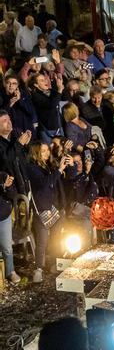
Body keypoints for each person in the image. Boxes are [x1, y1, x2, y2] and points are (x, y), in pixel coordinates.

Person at [25, 142, 74, 283]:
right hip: (42, 209)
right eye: (43, 151)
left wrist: (69, 163)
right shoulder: (32, 168)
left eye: (47, 150)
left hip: (56, 207)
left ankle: (54, 264)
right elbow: (44, 184)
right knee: (42, 241)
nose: (47, 153)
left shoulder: (50, 165)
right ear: (35, 153)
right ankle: (38, 269)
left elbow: (68, 176)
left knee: (56, 238)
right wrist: (58, 170)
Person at [0, 110, 28, 283]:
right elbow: (6, 162)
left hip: (7, 199)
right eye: (3, 120)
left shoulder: (11, 140)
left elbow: (19, 164)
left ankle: (10, 271)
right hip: (1, 194)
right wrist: (18, 144)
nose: (8, 122)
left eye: (9, 119)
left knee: (6, 243)